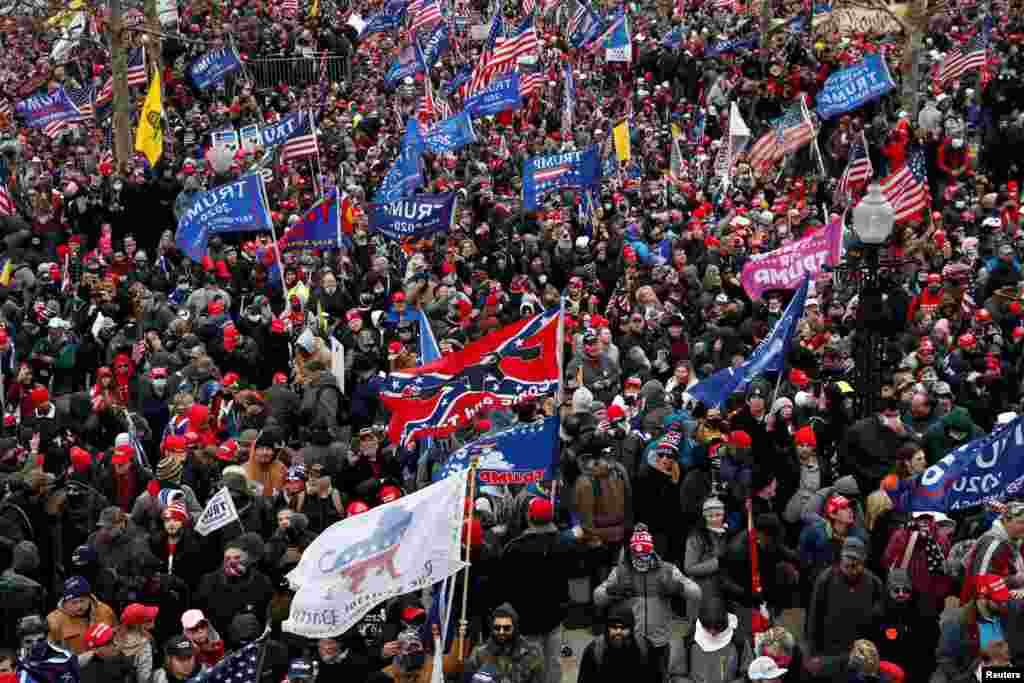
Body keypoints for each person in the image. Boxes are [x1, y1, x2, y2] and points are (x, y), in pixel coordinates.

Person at [595, 523, 701, 678]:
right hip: (630, 642)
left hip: (659, 642)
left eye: (644, 555)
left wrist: (678, 587)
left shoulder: (667, 570)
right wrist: (612, 591)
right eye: (636, 556)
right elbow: (598, 597)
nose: (640, 560)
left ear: (652, 551)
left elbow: (696, 593)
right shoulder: (621, 572)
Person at [501, 497, 582, 683]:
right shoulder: (565, 544)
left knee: (530, 664)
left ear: (529, 517)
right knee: (553, 661)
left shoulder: (514, 548)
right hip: (556, 615)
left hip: (527, 619)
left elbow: (505, 586)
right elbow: (575, 572)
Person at [934, 575, 1024, 683]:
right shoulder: (957, 622)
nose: (1004, 604)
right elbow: (945, 658)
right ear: (982, 598)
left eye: (1005, 599)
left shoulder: (1009, 609)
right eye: (998, 601)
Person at [805, 537, 885, 657]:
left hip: (860, 648)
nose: (851, 571)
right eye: (847, 565)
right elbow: (814, 617)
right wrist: (813, 652)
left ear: (863, 562)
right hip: (830, 648)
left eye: (855, 566)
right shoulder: (826, 579)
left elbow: (879, 617)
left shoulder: (874, 583)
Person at [667, 594, 753, 683]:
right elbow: (676, 675)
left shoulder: (739, 641)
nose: (712, 633)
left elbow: (748, 674)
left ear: (725, 623)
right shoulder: (686, 640)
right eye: (708, 628)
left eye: (717, 628)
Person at [577, 604, 661, 683]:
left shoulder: (645, 648)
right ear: (607, 628)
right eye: (614, 627)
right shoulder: (593, 651)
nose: (618, 632)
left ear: (631, 628)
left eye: (623, 627)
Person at [463, 604, 544, 683]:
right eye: (497, 628)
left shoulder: (532, 652)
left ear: (514, 627)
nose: (501, 632)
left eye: (506, 628)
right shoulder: (479, 652)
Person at [46, 576, 118, 654]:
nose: (79, 606)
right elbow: (50, 651)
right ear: (65, 601)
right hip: (74, 664)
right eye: (74, 602)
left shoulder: (105, 611)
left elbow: (117, 637)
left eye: (82, 601)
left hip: (104, 661)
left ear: (89, 598)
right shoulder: (53, 620)